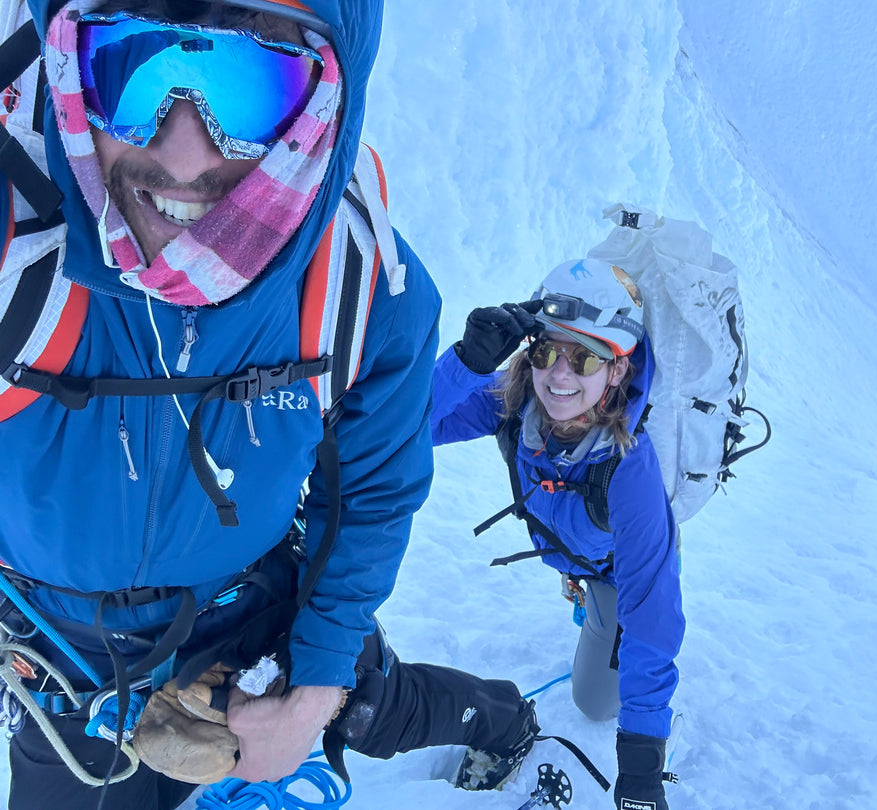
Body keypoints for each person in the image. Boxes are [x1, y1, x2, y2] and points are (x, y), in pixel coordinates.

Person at [0, 1, 539, 808]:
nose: (182, 155)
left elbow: (371, 490)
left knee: (367, 711)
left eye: (249, 83)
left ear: (325, 96)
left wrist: (318, 684)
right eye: (133, 69)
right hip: (61, 662)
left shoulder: (358, 290)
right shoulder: (19, 255)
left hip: (247, 626)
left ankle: (505, 725)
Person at [432, 258, 685, 810]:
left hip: (618, 573)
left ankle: (596, 607)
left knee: (595, 703)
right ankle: (585, 595)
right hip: (577, 554)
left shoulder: (630, 471)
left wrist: (642, 767)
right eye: (546, 350)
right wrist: (465, 363)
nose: (559, 375)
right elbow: (404, 428)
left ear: (617, 369)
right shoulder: (516, 399)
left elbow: (653, 617)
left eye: (585, 356)